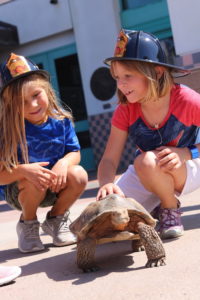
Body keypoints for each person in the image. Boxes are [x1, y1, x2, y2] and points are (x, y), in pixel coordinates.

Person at [97, 29, 200, 240]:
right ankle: (153, 206)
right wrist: (106, 184)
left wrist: (186, 153)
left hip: (189, 166)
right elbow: (108, 159)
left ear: (158, 72)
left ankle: (169, 208)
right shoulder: (125, 109)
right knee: (109, 217)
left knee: (146, 161)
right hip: (149, 170)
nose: (120, 84)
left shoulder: (187, 100)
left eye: (128, 76)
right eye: (117, 77)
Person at [0, 53, 88, 253]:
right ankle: (28, 224)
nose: (32, 105)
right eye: (22, 102)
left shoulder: (61, 121)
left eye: (36, 95)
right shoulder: (8, 131)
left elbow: (74, 152)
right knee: (34, 180)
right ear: (10, 104)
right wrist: (23, 170)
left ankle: (56, 219)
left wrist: (64, 163)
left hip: (57, 185)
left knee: (80, 174)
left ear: (47, 91)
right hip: (22, 191)